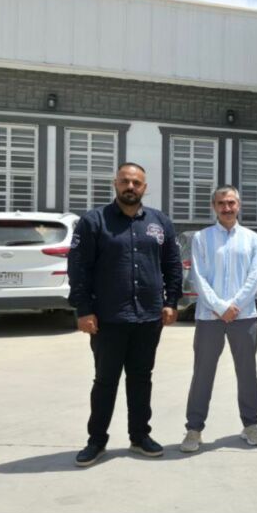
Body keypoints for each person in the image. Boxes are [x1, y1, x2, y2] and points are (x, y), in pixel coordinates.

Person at [67, 162, 182, 467]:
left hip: (148, 317)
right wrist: (84, 309)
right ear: (115, 184)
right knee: (105, 380)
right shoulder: (94, 221)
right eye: (125, 181)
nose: (130, 187)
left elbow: (172, 264)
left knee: (141, 379)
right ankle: (96, 441)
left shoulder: (160, 222)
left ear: (145, 187)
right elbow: (78, 268)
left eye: (136, 183)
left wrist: (171, 301)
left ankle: (140, 436)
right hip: (108, 319)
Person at [180, 186, 257, 453]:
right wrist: (219, 306)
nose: (227, 208)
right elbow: (198, 276)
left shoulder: (252, 239)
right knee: (202, 373)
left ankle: (250, 424)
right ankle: (194, 429)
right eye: (221, 203)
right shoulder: (201, 238)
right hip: (209, 317)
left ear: (238, 205)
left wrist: (234, 306)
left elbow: (255, 277)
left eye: (231, 203)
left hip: (244, 316)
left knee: (247, 372)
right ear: (214, 206)